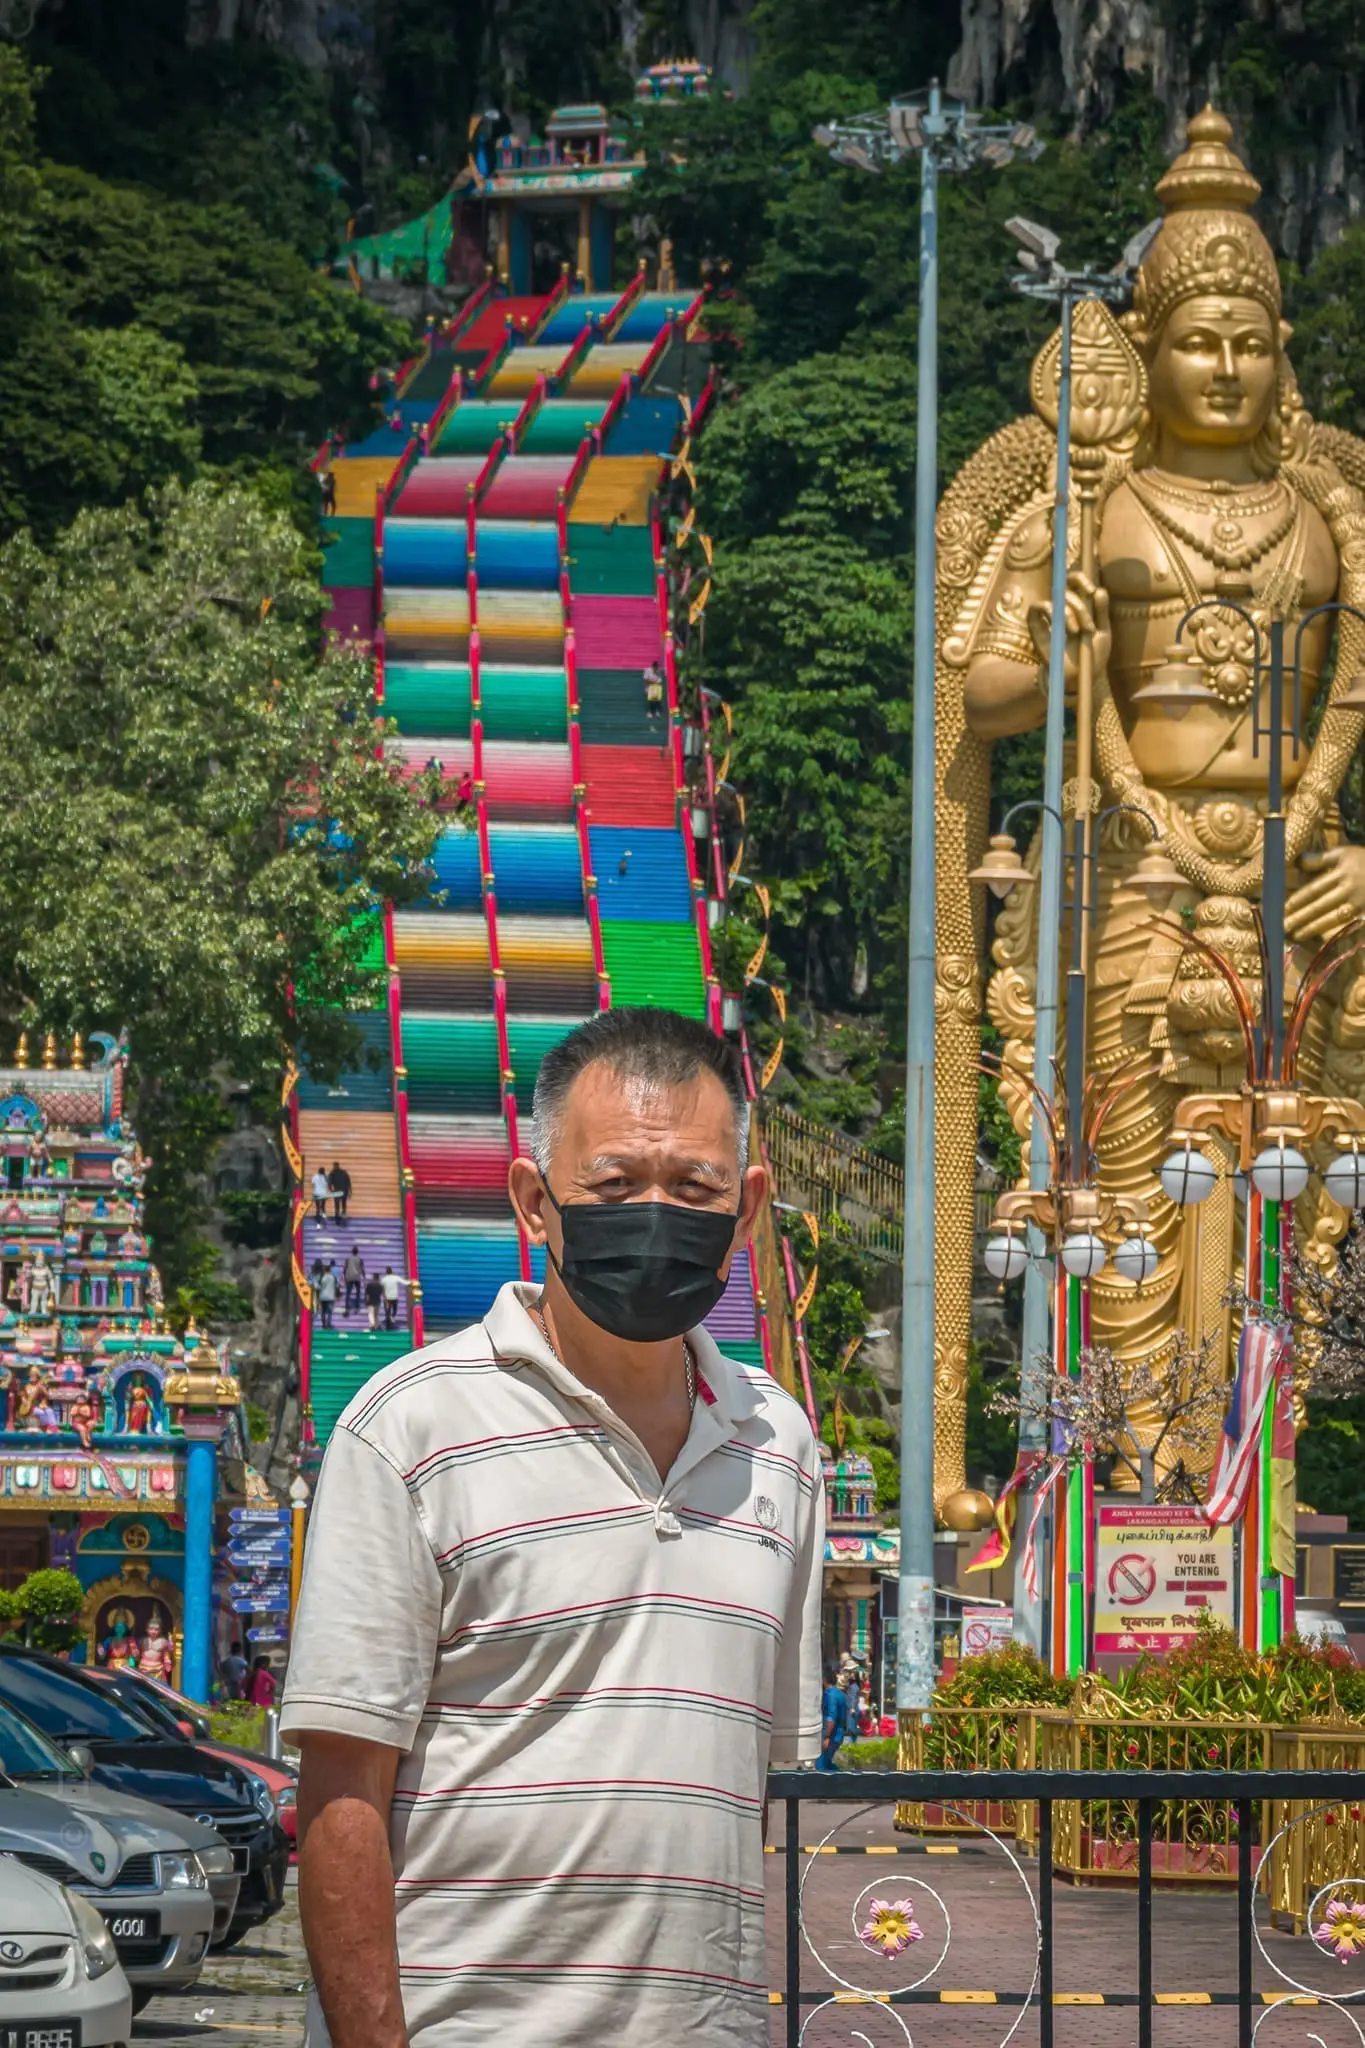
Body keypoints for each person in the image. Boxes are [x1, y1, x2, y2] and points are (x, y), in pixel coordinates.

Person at [284, 1005, 823, 2048]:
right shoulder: (409, 1426)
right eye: (616, 1185)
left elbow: (746, 1783)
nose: (658, 1215)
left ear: (747, 1207)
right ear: (537, 1198)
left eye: (696, 1188)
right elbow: (341, 1790)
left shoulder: (781, 1444)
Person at [817, 1662, 849, 1772]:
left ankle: (841, 1782)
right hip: (838, 1735)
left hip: (831, 1736)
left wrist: (826, 1737)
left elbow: (831, 1718)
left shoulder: (829, 1695)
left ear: (824, 1679)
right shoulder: (840, 1694)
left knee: (820, 1767)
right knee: (827, 1764)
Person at [379, 1265, 407, 1330]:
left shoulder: (384, 1279)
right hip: (394, 1297)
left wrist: (383, 1295)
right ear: (391, 1271)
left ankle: (388, 1324)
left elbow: (381, 1287)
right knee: (395, 1309)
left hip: (387, 1298)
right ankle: (392, 1317)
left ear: (386, 1272)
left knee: (387, 1311)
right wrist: (410, 1282)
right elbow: (404, 1282)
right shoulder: (395, 1277)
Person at [342, 1246, 365, 1318]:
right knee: (358, 1293)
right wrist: (364, 1277)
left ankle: (347, 1308)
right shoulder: (360, 1259)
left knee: (348, 1293)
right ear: (357, 1252)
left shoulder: (348, 1259)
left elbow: (345, 1269)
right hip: (357, 1277)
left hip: (349, 1277)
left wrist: (344, 1277)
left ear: (352, 1252)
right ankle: (357, 1308)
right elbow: (362, 1269)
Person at [316, 1261, 338, 1330]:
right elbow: (336, 1286)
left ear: (325, 1270)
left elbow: (319, 1286)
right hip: (330, 1297)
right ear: (330, 1270)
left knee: (323, 1311)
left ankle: (323, 1324)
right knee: (329, 1312)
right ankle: (328, 1324)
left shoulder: (322, 1277)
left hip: (323, 1297)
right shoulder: (333, 1277)